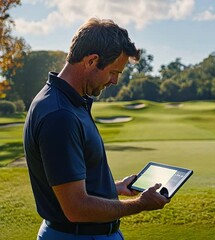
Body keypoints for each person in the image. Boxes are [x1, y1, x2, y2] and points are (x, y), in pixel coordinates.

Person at [23, 18, 169, 239]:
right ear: (91, 61)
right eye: (113, 72)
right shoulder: (60, 115)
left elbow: (73, 182)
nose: (115, 81)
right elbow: (76, 207)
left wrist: (116, 187)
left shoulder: (68, 102)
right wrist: (140, 204)